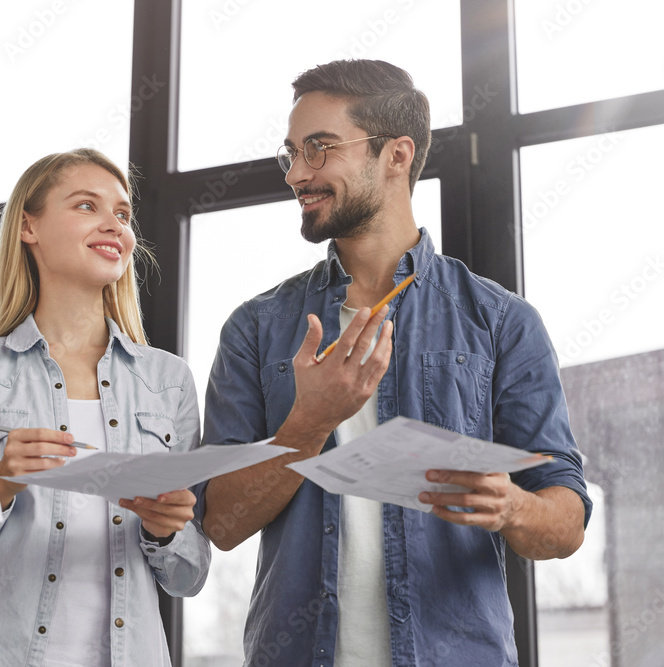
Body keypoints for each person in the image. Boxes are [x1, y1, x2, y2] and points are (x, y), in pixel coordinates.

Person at [199, 60, 591, 666]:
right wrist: (309, 424)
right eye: (291, 155)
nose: (297, 174)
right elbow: (220, 520)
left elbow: (565, 522)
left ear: (397, 156)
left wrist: (513, 506)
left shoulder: (502, 322)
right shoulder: (256, 328)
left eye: (319, 149)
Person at [0, 148, 211, 666]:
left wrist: (167, 530)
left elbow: (189, 575)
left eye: (122, 213)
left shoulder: (169, 381)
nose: (113, 224)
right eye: (86, 206)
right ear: (29, 226)